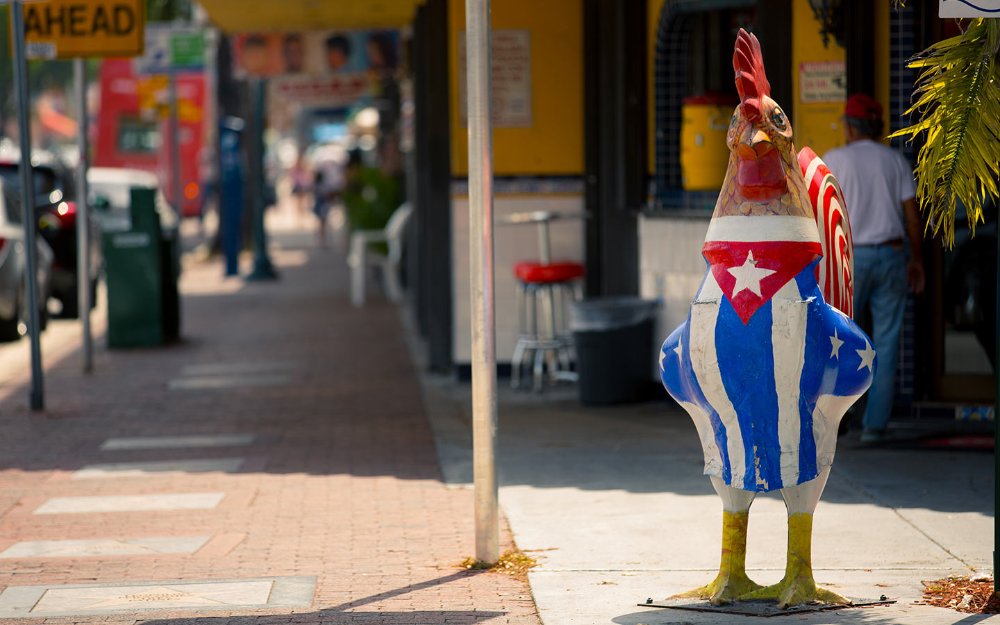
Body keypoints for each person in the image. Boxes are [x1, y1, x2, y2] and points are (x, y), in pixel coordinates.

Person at [823, 93, 926, 444]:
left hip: (849, 258)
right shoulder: (895, 161)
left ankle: (839, 417)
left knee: (839, 338)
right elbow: (912, 216)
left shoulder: (833, 160)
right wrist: (917, 260)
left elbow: (820, 215)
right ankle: (874, 426)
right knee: (886, 340)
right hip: (892, 255)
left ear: (850, 127)